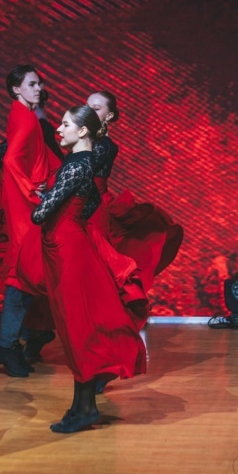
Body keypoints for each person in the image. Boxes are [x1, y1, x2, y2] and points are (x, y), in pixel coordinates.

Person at [31, 106, 147, 433]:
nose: (59, 129)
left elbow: (39, 215)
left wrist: (46, 199)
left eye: (65, 124)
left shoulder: (75, 165)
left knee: (77, 328)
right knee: (77, 328)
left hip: (67, 250)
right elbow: (92, 203)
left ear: (82, 131)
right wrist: (64, 207)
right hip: (69, 246)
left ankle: (84, 410)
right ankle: (82, 407)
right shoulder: (85, 164)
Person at [0, 65, 60, 377]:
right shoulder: (23, 116)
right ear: (16, 89)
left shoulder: (25, 114)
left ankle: (18, 341)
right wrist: (32, 190)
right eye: (32, 84)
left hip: (25, 203)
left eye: (39, 83)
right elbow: (10, 159)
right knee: (21, 275)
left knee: (27, 274)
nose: (38, 88)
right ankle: (7, 346)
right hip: (24, 206)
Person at [86, 91, 183, 298]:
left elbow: (83, 175)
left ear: (109, 115)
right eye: (87, 107)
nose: (89, 112)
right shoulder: (87, 139)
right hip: (84, 201)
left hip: (92, 205)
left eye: (96, 108)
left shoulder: (102, 145)